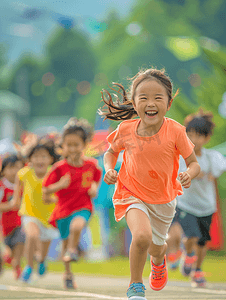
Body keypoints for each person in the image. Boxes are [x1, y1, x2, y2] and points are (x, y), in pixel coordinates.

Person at [98, 68, 201, 300]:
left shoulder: (175, 131)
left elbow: (193, 163)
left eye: (157, 97)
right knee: (141, 237)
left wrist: (189, 174)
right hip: (131, 192)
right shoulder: (125, 130)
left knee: (156, 246)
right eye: (143, 97)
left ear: (169, 102)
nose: (150, 103)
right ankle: (135, 285)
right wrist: (109, 169)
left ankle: (158, 260)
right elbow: (110, 153)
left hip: (164, 199)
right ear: (134, 103)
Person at [42, 118, 102, 289]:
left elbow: (97, 178)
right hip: (63, 210)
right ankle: (68, 273)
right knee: (65, 243)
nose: (73, 149)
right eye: (69, 145)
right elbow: (45, 189)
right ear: (63, 146)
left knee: (77, 227)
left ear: (84, 145)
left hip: (83, 206)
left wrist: (94, 188)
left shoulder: (91, 165)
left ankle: (74, 250)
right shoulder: (59, 168)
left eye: (77, 145)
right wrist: (60, 185)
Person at [173, 109, 226, 287]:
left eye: (199, 136)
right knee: (191, 236)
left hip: (206, 206)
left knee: (202, 242)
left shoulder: (212, 157)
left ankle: (197, 270)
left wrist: (213, 173)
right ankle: (187, 254)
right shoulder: (182, 157)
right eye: (190, 135)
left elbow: (220, 167)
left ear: (207, 138)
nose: (194, 140)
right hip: (186, 204)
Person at [11, 141, 59, 283]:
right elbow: (17, 191)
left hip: (49, 217)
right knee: (32, 236)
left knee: (43, 250)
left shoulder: (53, 173)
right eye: (36, 157)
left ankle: (42, 260)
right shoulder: (24, 173)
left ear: (50, 159)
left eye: (44, 157)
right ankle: (29, 267)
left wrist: (53, 199)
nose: (40, 160)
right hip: (29, 213)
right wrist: (14, 202)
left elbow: (60, 194)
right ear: (30, 159)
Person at [0, 154, 25, 279]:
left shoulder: (23, 184)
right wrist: (11, 205)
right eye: (10, 168)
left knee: (21, 239)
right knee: (6, 250)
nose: (14, 172)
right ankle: (6, 261)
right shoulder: (2, 186)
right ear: (3, 171)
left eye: (17, 168)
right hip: (3, 225)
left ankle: (17, 264)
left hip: (19, 222)